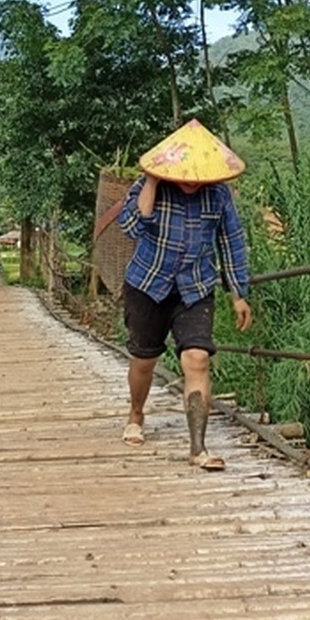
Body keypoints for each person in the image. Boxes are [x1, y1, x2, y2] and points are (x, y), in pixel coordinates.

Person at [115, 119, 252, 470]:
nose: (191, 181)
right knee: (144, 360)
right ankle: (136, 412)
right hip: (148, 284)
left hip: (195, 287)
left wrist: (238, 293)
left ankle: (198, 448)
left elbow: (230, 242)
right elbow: (131, 226)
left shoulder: (218, 195)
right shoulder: (149, 187)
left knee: (197, 358)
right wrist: (151, 180)